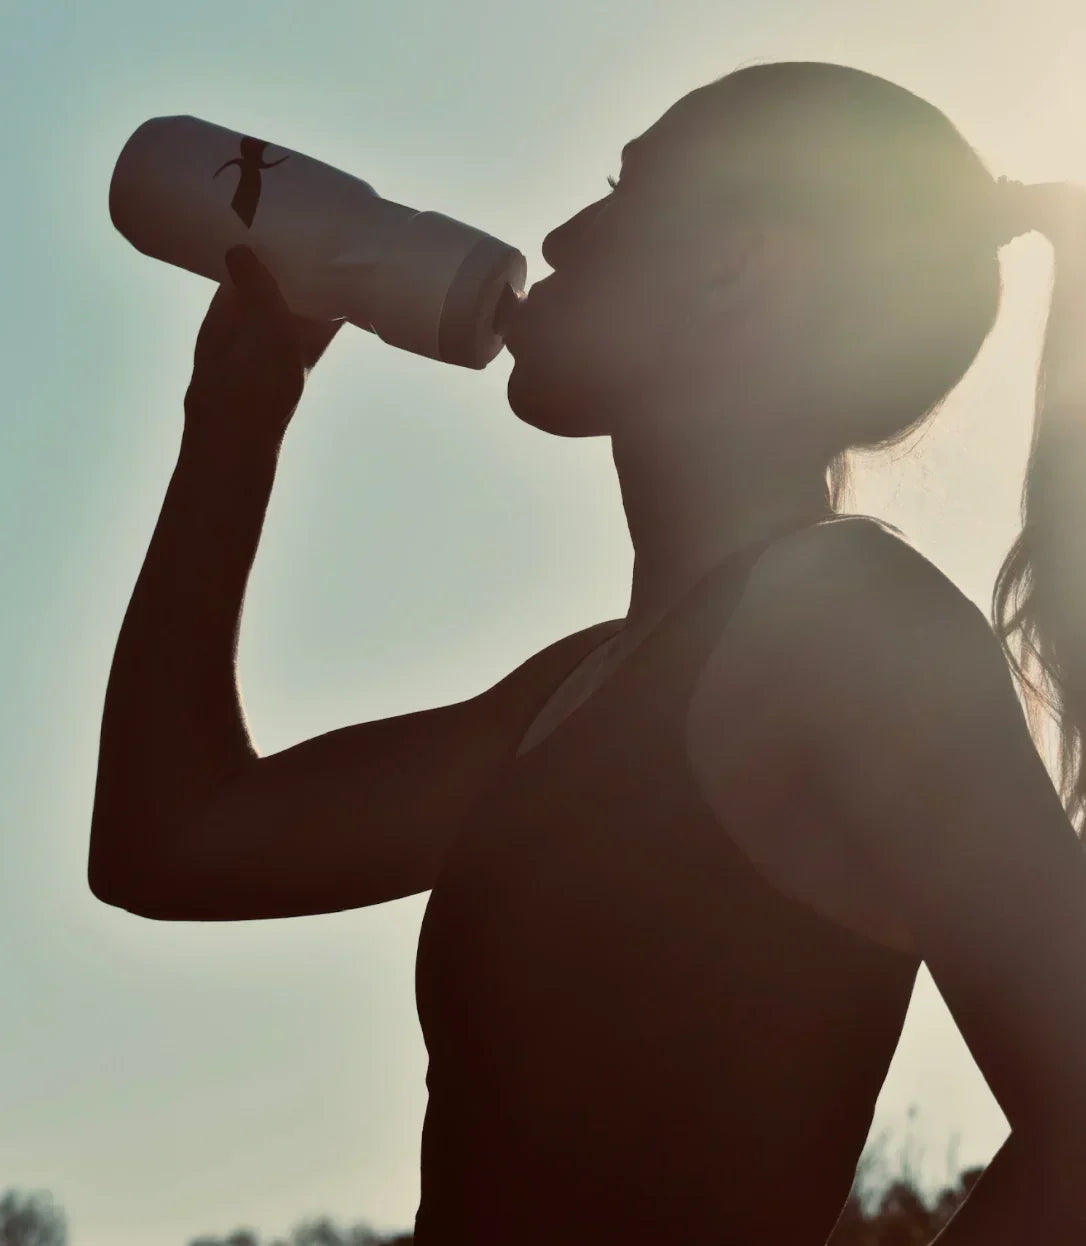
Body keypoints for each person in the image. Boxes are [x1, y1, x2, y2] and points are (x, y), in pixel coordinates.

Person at [88, 61, 1086, 1244]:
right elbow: (172, 842)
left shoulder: (850, 624)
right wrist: (237, 418)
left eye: (627, 191)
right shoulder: (576, 689)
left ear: (737, 266)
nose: (560, 232)